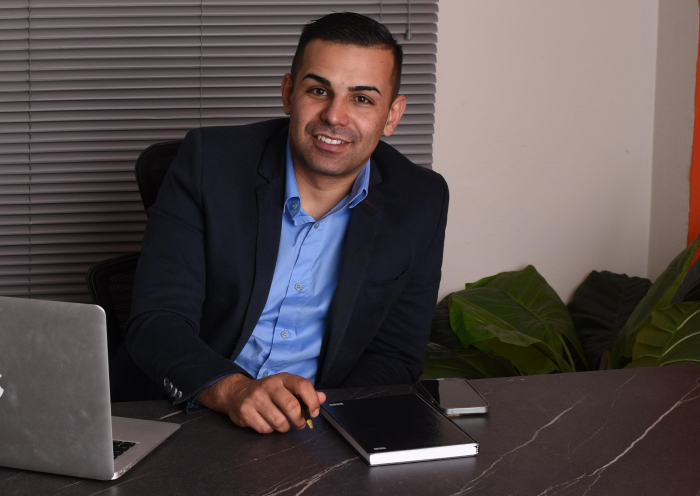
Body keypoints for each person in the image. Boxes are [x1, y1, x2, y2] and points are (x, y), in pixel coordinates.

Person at [126, 12, 449, 435]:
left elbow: (395, 355)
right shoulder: (209, 163)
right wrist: (233, 390)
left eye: (362, 99)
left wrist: (326, 421)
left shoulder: (420, 199)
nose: (335, 116)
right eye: (319, 90)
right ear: (288, 94)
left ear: (392, 115)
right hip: (201, 412)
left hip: (320, 424)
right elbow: (158, 320)